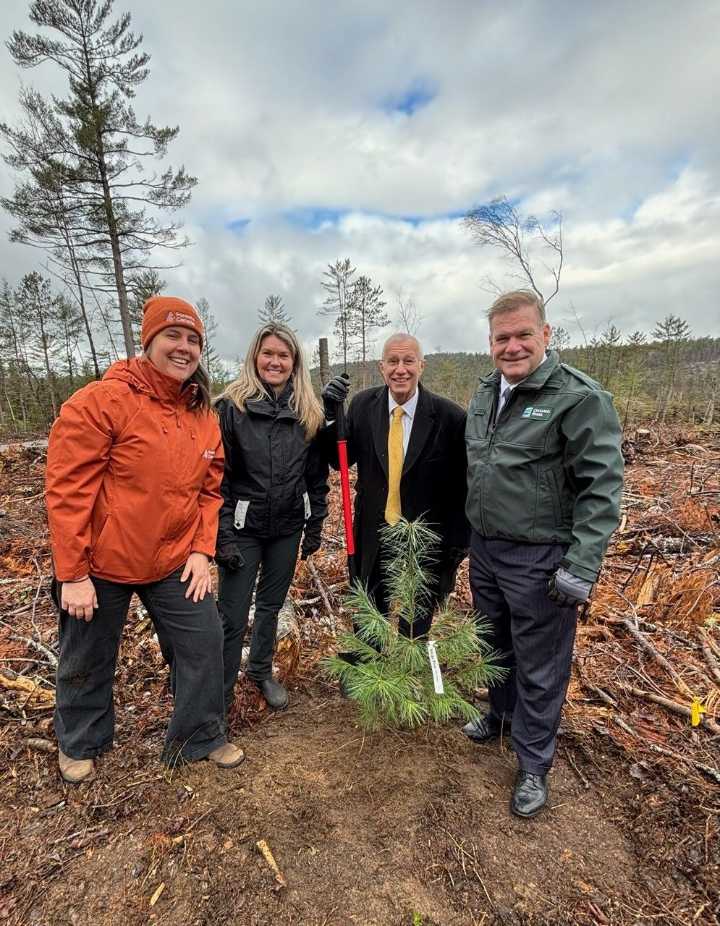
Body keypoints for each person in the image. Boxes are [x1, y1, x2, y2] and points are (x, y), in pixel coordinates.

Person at [46, 296, 245, 784]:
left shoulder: (201, 414)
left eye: (193, 340)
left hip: (173, 560)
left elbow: (209, 489)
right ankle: (81, 741)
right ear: (148, 341)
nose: (183, 348)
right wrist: (72, 574)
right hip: (101, 563)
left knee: (205, 641)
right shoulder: (101, 401)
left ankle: (198, 736)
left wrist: (201, 550)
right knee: (87, 656)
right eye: (172, 337)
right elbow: (68, 490)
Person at [463, 290, 623, 817]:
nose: (512, 347)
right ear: (490, 343)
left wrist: (581, 564)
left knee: (541, 662)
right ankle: (500, 717)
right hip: (486, 548)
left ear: (546, 335)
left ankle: (533, 764)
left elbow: (602, 487)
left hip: (539, 556)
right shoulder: (487, 394)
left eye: (522, 335)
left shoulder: (578, 398)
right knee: (495, 644)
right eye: (501, 338)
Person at [321, 333, 469, 643]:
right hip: (373, 530)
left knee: (416, 617)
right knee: (369, 607)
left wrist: (456, 547)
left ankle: (407, 668)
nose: (400, 369)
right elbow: (339, 461)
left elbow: (462, 487)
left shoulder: (451, 418)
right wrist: (331, 413)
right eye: (392, 361)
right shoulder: (363, 406)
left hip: (424, 537)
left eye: (408, 361)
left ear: (422, 366)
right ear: (381, 367)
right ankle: (367, 663)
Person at [215, 324, 328, 712]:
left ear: (294, 362)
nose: (275, 361)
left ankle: (260, 670)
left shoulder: (308, 411)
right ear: (255, 357)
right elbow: (219, 479)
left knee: (270, 604)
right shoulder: (232, 407)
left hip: (286, 527)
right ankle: (222, 686)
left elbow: (315, 477)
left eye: (284, 355)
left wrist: (314, 524)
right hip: (243, 529)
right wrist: (223, 534)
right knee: (231, 613)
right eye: (268, 354)